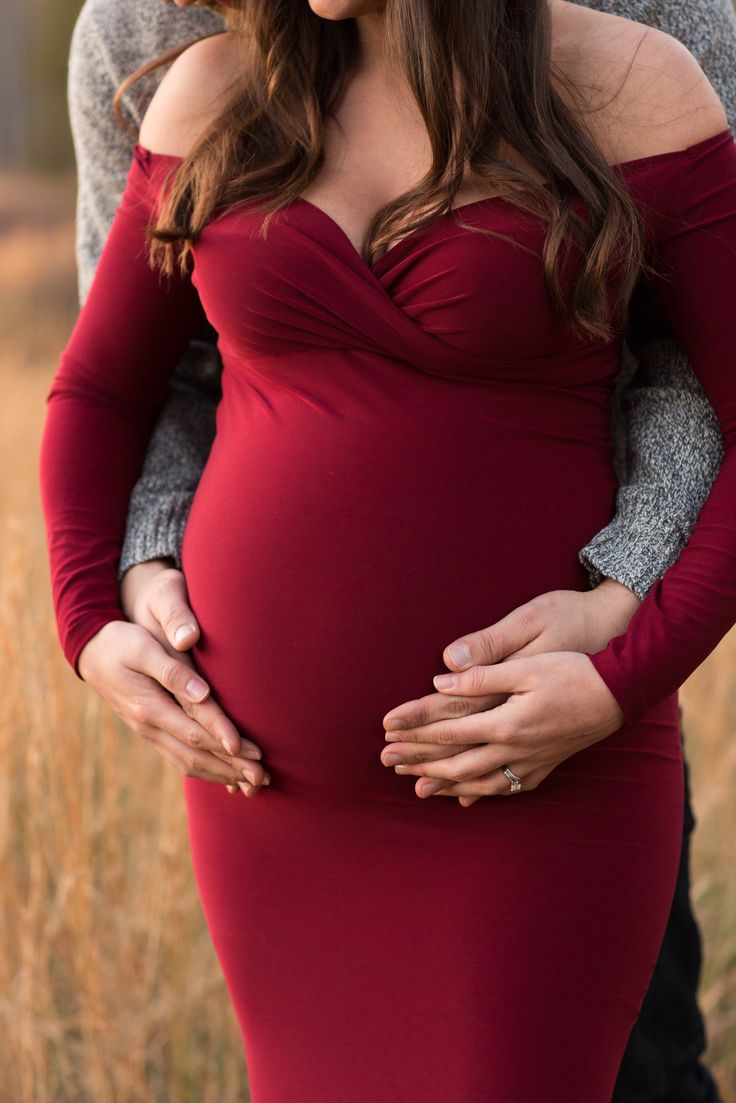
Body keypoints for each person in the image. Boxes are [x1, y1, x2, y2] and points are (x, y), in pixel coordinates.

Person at [41, 0, 736, 1098]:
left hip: (531, 765)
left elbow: (706, 395)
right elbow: (106, 383)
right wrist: (92, 618)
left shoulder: (641, 73)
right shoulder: (198, 75)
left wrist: (619, 660)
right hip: (275, 804)